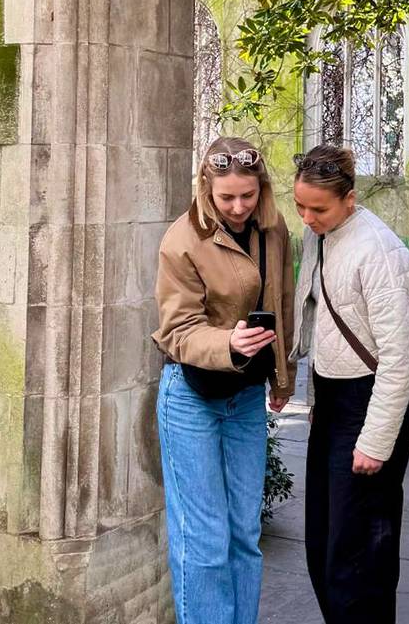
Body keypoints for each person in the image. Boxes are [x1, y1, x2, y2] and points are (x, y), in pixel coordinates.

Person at [153, 136, 296, 624]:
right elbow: (176, 332)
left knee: (243, 535)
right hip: (190, 398)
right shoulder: (181, 240)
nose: (238, 207)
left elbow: (283, 303)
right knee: (205, 539)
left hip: (246, 397)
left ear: (262, 190)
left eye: (248, 195)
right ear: (206, 189)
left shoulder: (273, 233)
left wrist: (283, 378)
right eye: (226, 197)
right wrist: (227, 344)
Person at [291, 144, 409, 624]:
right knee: (324, 543)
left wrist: (374, 441)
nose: (307, 217)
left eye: (318, 208)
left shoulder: (381, 252)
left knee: (361, 553)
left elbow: (399, 357)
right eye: (300, 205)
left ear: (350, 198)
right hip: (331, 404)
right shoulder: (322, 237)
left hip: (367, 408)